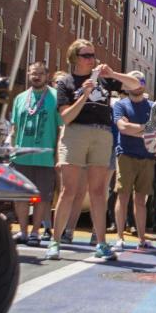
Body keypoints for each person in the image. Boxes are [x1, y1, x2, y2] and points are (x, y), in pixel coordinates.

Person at [47, 40, 142, 261]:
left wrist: (114, 74)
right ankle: (55, 241)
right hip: (75, 133)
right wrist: (83, 95)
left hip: (102, 133)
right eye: (86, 55)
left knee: (98, 191)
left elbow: (136, 84)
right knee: (68, 190)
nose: (92, 59)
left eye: (93, 55)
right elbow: (65, 116)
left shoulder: (105, 80)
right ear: (74, 58)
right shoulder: (66, 82)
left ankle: (101, 243)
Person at [9, 61, 61, 247]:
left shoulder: (56, 97)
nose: (36, 76)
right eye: (33, 73)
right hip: (21, 154)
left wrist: (58, 154)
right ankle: (23, 231)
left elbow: (61, 127)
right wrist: (12, 148)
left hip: (45, 155)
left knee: (42, 196)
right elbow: (14, 127)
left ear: (47, 75)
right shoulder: (20, 98)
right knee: (20, 195)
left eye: (40, 73)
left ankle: (35, 232)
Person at [112, 70, 156, 252]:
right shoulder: (120, 105)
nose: (135, 84)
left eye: (139, 81)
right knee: (122, 196)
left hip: (147, 157)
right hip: (126, 155)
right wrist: (145, 128)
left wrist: (134, 128)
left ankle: (141, 239)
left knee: (141, 199)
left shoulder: (153, 106)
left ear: (143, 84)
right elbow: (122, 128)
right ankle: (119, 238)